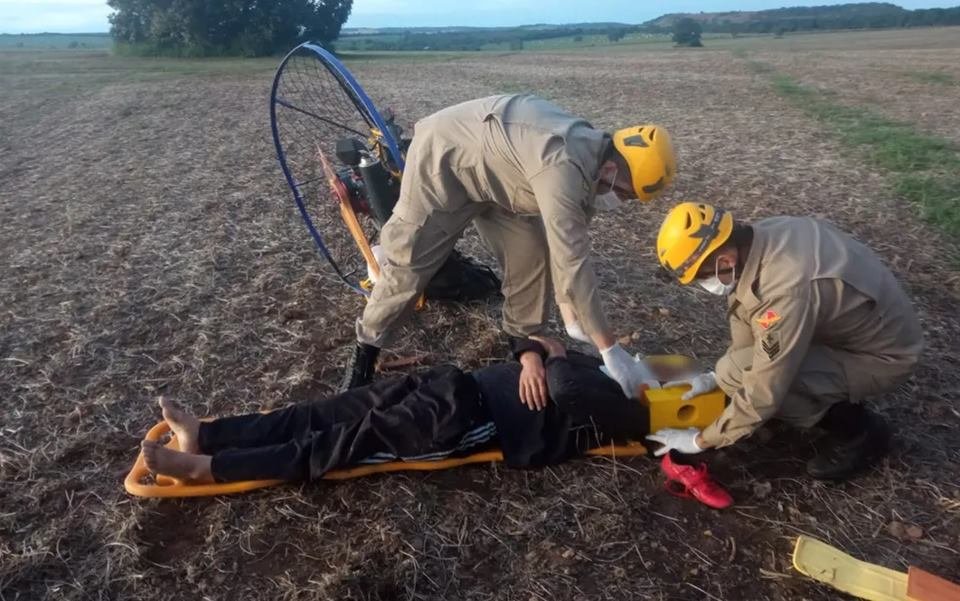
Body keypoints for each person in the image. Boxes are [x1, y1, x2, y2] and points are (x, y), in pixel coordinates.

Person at [341, 93, 677, 401]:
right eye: (625, 192)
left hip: (501, 179)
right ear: (610, 168)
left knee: (531, 252)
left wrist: (572, 318)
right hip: (445, 159)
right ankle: (366, 350)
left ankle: (522, 341)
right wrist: (609, 349)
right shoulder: (563, 164)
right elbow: (574, 264)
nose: (621, 200)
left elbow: (565, 252)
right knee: (409, 266)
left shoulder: (594, 161)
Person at [645, 202, 923, 480]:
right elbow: (745, 310)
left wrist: (701, 441)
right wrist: (717, 378)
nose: (703, 284)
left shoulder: (785, 290)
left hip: (881, 357)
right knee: (733, 372)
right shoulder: (759, 239)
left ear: (725, 260)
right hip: (843, 329)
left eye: (701, 277)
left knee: (768, 386)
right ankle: (805, 395)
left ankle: (860, 431)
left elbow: (766, 388)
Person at [141, 337, 650, 484]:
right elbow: (532, 337)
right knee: (323, 411)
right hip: (454, 383)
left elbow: (567, 393)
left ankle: (206, 469)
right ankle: (207, 435)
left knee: (343, 441)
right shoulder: (609, 368)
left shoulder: (632, 410)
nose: (654, 374)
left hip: (470, 424)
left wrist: (551, 358)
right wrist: (536, 352)